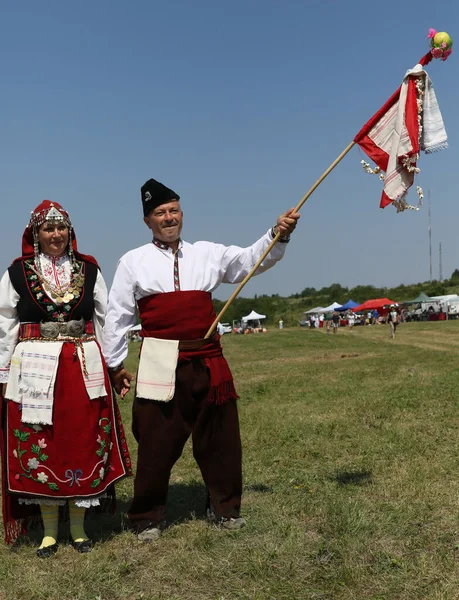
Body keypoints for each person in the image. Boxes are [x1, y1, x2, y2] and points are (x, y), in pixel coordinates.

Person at [103, 178, 300, 542]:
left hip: (208, 357)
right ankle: (146, 517)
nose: (169, 218)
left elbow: (247, 262)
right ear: (147, 220)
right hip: (160, 359)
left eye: (174, 210)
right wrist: (115, 365)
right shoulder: (133, 262)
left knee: (220, 438)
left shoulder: (207, 253)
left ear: (182, 214)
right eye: (160, 213)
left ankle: (225, 508)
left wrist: (278, 232)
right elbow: (117, 316)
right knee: (156, 441)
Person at [0, 201, 132, 557]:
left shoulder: (89, 270)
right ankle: (48, 531)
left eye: (61, 228)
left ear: (69, 232)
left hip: (82, 366)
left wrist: (115, 366)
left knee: (80, 438)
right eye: (48, 229)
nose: (55, 235)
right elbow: (4, 324)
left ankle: (77, 528)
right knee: (45, 440)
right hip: (33, 371)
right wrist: (2, 374)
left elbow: (106, 320)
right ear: (35, 234)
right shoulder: (17, 272)